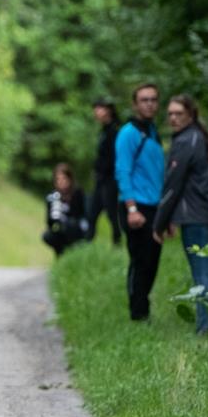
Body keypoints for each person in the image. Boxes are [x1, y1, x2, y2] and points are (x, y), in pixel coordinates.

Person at [153, 95, 208, 334]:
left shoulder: (186, 140)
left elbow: (173, 185)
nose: (173, 118)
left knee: (203, 274)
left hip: (197, 217)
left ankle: (205, 328)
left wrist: (160, 223)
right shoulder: (200, 136)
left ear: (191, 114)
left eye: (179, 113)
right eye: (170, 114)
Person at [115, 83, 166, 322]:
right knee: (140, 260)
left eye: (154, 99)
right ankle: (138, 313)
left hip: (154, 206)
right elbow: (123, 171)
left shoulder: (153, 131)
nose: (150, 104)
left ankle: (142, 308)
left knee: (152, 260)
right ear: (135, 104)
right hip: (135, 206)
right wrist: (132, 208)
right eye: (144, 100)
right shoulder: (128, 133)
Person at [88, 97, 122, 245]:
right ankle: (87, 243)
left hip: (109, 180)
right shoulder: (104, 131)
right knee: (92, 211)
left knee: (111, 213)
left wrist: (104, 171)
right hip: (101, 179)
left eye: (99, 108)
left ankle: (117, 241)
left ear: (108, 110)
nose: (95, 112)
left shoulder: (114, 131)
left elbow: (113, 158)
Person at [42, 162, 89, 256]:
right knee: (49, 235)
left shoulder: (77, 193)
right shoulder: (53, 197)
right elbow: (49, 223)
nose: (61, 182)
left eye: (63, 178)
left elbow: (82, 214)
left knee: (71, 226)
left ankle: (73, 254)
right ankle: (60, 256)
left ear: (69, 179)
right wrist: (54, 214)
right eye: (58, 179)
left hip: (76, 228)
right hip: (61, 230)